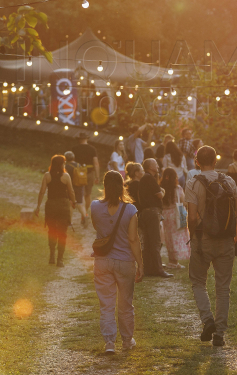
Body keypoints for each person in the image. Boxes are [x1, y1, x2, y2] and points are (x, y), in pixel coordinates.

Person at [185, 145, 237, 347]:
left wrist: (192, 235)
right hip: (227, 241)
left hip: (203, 240)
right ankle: (219, 334)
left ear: (197, 162)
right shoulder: (229, 181)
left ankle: (207, 320)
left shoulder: (193, 183)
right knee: (223, 288)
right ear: (216, 161)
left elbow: (191, 217)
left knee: (198, 282)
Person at [90, 171, 143, 355]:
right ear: (123, 186)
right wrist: (141, 265)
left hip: (102, 261)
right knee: (125, 304)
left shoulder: (95, 206)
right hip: (125, 262)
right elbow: (133, 239)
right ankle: (127, 341)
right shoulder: (130, 210)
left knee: (106, 304)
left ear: (104, 186)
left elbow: (97, 227)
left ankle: (110, 343)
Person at [33, 155, 76, 267]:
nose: (65, 164)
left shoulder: (47, 175)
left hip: (51, 205)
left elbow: (42, 191)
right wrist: (74, 201)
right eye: (64, 163)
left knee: (52, 231)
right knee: (62, 232)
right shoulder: (66, 176)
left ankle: (52, 255)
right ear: (61, 164)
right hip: (63, 206)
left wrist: (38, 206)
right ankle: (60, 259)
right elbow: (71, 191)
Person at [140, 158, 171, 278]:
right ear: (149, 166)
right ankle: (158, 269)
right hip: (153, 212)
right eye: (155, 164)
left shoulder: (145, 178)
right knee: (155, 241)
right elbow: (159, 195)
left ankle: (148, 268)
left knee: (148, 242)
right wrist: (162, 191)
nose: (157, 166)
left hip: (146, 212)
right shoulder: (149, 178)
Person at [160, 168, 190, 269]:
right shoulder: (177, 189)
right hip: (176, 213)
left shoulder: (161, 188)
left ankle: (171, 261)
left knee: (169, 238)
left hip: (165, 214)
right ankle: (175, 261)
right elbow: (183, 201)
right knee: (177, 238)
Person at [72, 132, 100, 223]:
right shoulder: (92, 149)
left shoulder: (74, 149)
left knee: (80, 193)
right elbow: (95, 163)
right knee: (88, 194)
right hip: (89, 173)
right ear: (87, 139)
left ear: (79, 139)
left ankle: (83, 213)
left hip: (78, 173)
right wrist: (97, 176)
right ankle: (84, 214)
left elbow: (71, 163)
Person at [65, 151, 89, 227]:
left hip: (71, 187)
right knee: (80, 204)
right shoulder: (79, 165)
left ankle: (69, 222)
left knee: (70, 204)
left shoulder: (66, 167)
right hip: (80, 187)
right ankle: (85, 216)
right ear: (73, 157)